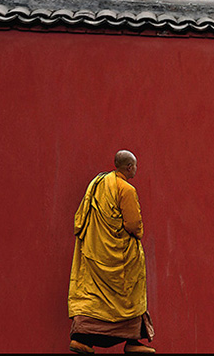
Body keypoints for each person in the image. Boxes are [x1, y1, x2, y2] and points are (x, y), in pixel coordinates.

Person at [68, 150, 155, 354]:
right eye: (135, 166)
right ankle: (132, 341)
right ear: (128, 167)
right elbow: (134, 225)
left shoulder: (98, 184)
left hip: (96, 251)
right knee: (129, 295)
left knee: (93, 296)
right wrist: (140, 232)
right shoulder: (126, 190)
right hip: (120, 256)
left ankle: (82, 339)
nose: (136, 169)